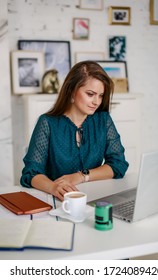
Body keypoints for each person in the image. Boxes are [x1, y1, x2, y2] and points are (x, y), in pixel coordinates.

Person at [20, 61, 129, 201]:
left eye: (101, 95)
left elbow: (118, 164)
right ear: (72, 90)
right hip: (59, 201)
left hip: (95, 197)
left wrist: (81, 176)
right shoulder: (47, 123)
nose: (97, 101)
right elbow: (31, 173)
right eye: (90, 94)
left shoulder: (103, 120)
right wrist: (53, 187)